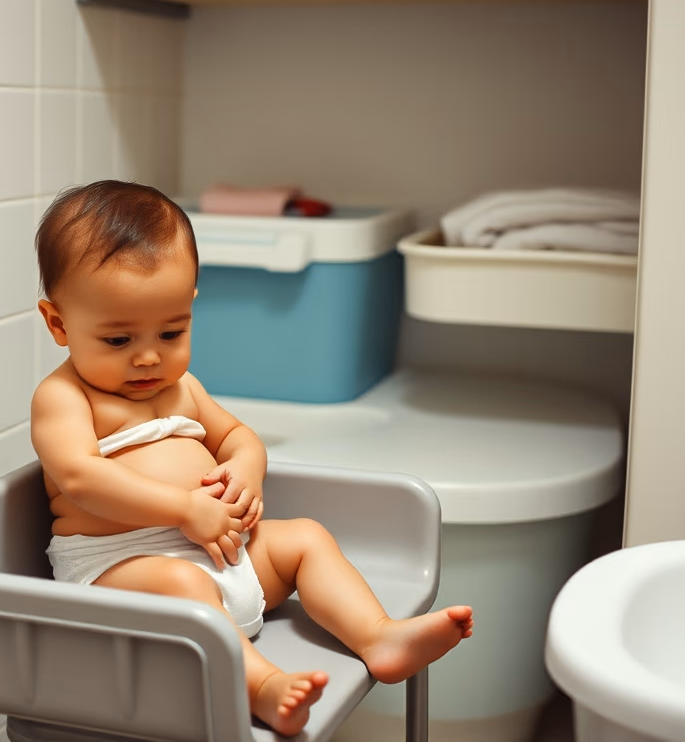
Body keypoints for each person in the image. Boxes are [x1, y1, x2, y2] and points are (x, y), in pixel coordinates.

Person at [29, 180, 473, 736]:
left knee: (306, 537)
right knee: (182, 583)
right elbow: (80, 478)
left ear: (191, 306)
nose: (148, 358)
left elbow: (239, 436)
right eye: (119, 341)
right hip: (119, 572)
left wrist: (246, 469)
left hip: (221, 556)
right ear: (59, 324)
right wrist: (182, 509)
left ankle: (378, 636)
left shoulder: (184, 388)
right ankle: (261, 687)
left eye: (171, 332)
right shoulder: (64, 397)